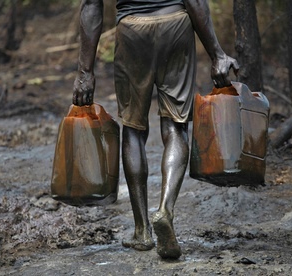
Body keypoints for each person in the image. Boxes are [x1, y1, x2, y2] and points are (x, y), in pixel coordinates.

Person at [72, 0, 239, 259]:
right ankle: (165, 210)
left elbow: (92, 5)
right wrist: (217, 53)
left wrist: (85, 71)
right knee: (175, 126)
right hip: (176, 25)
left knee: (133, 129)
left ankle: (142, 231)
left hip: (131, 30)